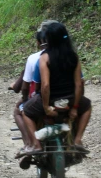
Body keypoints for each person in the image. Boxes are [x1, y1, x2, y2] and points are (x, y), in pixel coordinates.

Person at [21, 21, 91, 154]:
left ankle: (36, 145)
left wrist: (47, 107)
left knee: (26, 112)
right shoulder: (73, 57)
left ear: (49, 39)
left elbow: (45, 85)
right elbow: (78, 84)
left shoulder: (45, 57)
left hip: (51, 99)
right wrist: (75, 108)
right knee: (87, 107)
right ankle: (77, 140)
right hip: (70, 99)